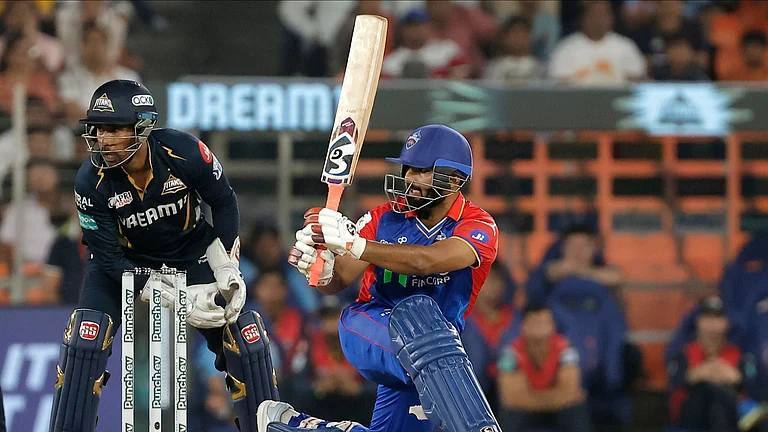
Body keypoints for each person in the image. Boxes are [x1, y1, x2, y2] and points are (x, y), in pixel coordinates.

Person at [48, 79, 280, 432]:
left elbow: (223, 201)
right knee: (85, 339)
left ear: (142, 128)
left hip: (190, 253)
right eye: (99, 129)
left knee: (247, 340)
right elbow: (107, 258)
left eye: (114, 129)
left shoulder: (183, 151)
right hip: (123, 261)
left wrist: (225, 263)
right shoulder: (89, 180)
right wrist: (158, 289)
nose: (103, 139)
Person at [261, 124, 502, 432]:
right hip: (370, 327)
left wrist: (354, 244)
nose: (410, 180)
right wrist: (318, 266)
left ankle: (294, 425)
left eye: (422, 171)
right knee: (425, 333)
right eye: (408, 170)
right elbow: (340, 278)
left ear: (455, 179)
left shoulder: (477, 225)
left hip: (436, 353)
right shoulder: (382, 219)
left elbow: (427, 261)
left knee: (428, 329)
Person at [497, 303, 594, 432]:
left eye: (544, 322)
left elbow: (569, 392)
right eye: (535, 323)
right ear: (523, 326)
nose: (540, 328)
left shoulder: (566, 350)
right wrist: (559, 397)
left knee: (576, 413)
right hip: (527, 412)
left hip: (556, 410)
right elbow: (510, 399)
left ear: (553, 326)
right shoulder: (510, 354)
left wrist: (527, 397)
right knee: (509, 416)